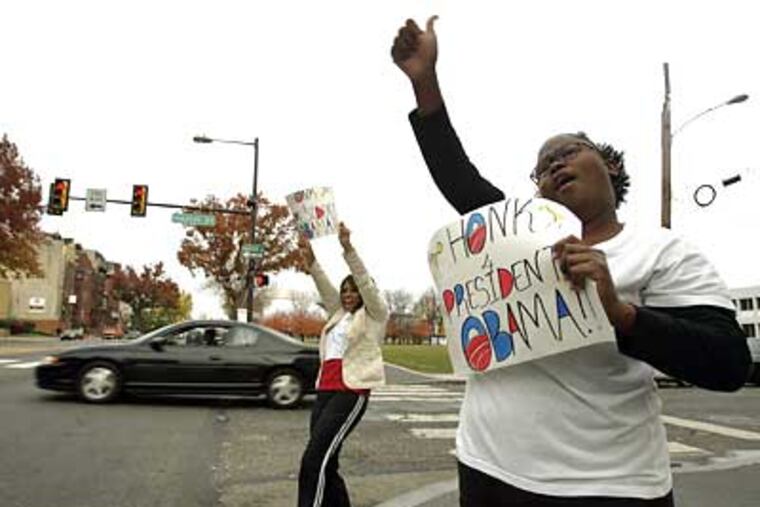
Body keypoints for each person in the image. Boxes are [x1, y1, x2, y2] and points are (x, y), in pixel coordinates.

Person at [392, 16, 752, 507]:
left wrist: (621, 314)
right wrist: (424, 81)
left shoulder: (664, 251)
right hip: (488, 469)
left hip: (611, 486)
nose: (554, 165)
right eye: (542, 167)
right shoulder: (513, 238)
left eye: (568, 152)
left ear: (611, 166)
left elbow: (727, 363)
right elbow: (459, 177)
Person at [296, 222, 389, 507]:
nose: (349, 295)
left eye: (353, 291)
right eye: (344, 291)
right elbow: (323, 283)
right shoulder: (338, 314)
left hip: (351, 391)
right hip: (325, 390)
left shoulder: (374, 314)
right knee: (328, 459)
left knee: (313, 462)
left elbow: (365, 281)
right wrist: (311, 260)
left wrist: (347, 248)